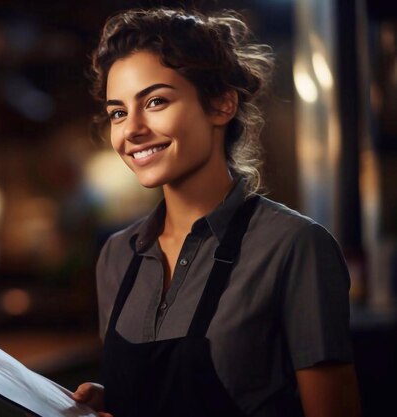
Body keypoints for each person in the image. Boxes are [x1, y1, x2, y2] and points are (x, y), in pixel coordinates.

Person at [72, 7, 361, 417]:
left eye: (155, 101)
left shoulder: (293, 246)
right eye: (118, 112)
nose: (131, 129)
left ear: (222, 105)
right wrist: (117, 398)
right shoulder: (118, 256)